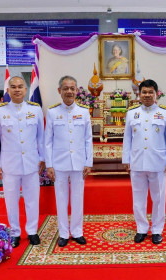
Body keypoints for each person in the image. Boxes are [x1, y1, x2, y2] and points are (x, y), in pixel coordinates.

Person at [0, 76, 45, 248]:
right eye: (13, 87)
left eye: (20, 86)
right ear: (8, 91)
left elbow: (41, 138)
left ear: (26, 89)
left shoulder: (35, 110)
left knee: (32, 199)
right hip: (9, 165)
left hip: (31, 163)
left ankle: (32, 231)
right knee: (11, 200)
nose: (17, 89)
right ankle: (14, 232)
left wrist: (43, 158)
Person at [122, 79, 166, 245]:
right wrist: (126, 159)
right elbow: (127, 139)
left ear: (156, 94)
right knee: (138, 198)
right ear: (139, 94)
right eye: (144, 92)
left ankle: (157, 230)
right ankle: (141, 228)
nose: (147, 95)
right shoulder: (132, 113)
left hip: (158, 163)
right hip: (137, 162)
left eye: (150, 92)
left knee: (159, 198)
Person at [45, 75, 93, 247]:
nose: (69, 91)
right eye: (65, 88)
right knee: (61, 198)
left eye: (72, 88)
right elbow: (48, 141)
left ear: (77, 91)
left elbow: (88, 139)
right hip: (59, 163)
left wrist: (89, 162)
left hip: (79, 163)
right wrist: (49, 164)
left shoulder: (83, 111)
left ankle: (77, 231)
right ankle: (64, 233)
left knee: (78, 198)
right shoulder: (52, 112)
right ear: (59, 91)